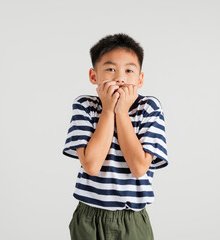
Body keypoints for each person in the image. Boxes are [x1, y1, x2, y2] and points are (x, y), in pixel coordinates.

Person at [62, 33, 168, 240]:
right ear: (94, 76)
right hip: (89, 216)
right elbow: (91, 165)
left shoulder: (149, 108)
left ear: (140, 79)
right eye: (110, 69)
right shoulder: (85, 106)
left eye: (129, 70)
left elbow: (139, 168)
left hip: (132, 219)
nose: (120, 77)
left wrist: (121, 112)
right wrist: (108, 110)